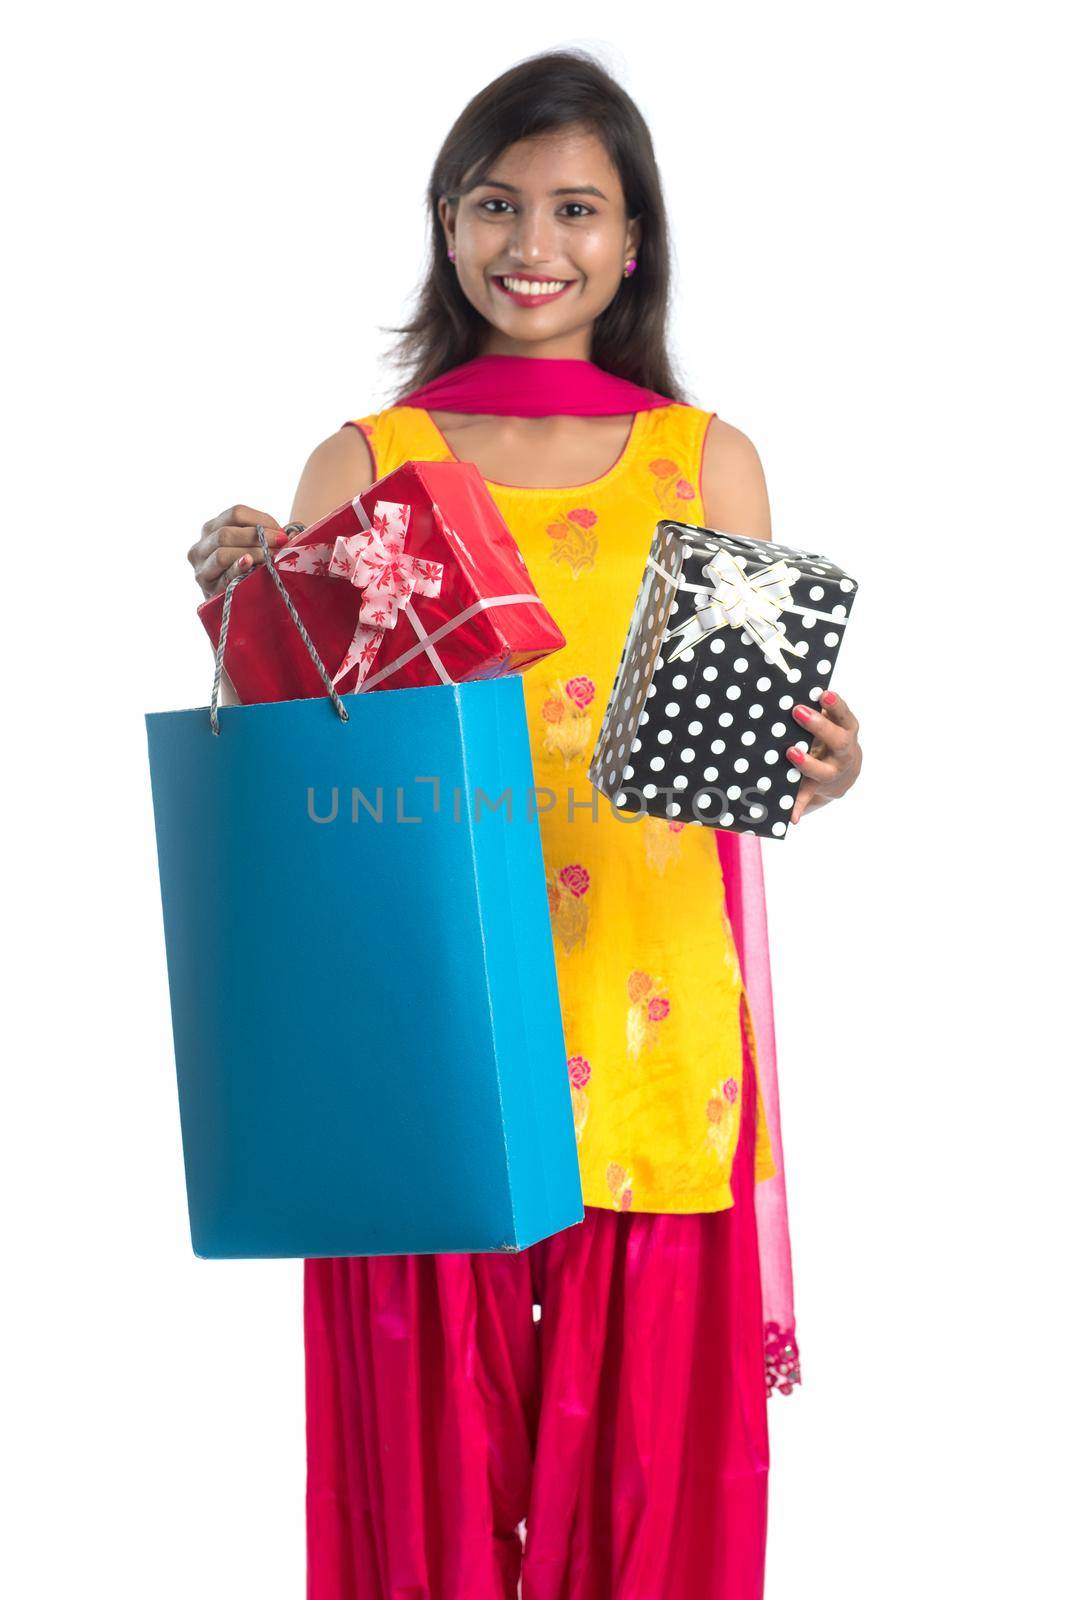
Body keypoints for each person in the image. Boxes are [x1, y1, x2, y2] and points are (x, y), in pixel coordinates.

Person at [186, 49, 862, 1600]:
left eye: (575, 207)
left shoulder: (712, 464)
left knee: (652, 1507)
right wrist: (246, 609)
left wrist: (820, 768)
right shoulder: (371, 466)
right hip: (426, 1048)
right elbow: (312, 793)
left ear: (635, 243)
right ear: (445, 223)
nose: (532, 243)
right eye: (496, 204)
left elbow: (731, 762)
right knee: (418, 1497)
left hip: (652, 1031)